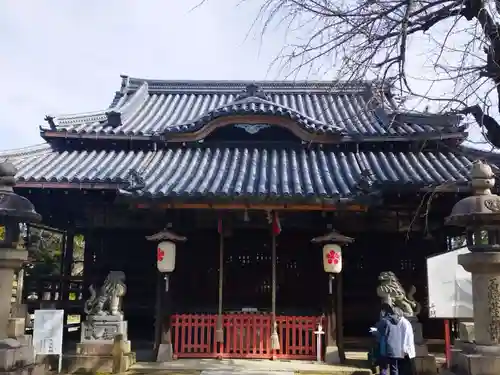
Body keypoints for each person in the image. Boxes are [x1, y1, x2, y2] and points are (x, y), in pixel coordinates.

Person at [373, 303, 406, 375]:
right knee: (394, 368)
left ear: (383, 311)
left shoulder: (385, 321)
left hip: (386, 349)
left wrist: (373, 331)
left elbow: (378, 331)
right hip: (397, 350)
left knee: (383, 367)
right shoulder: (399, 321)